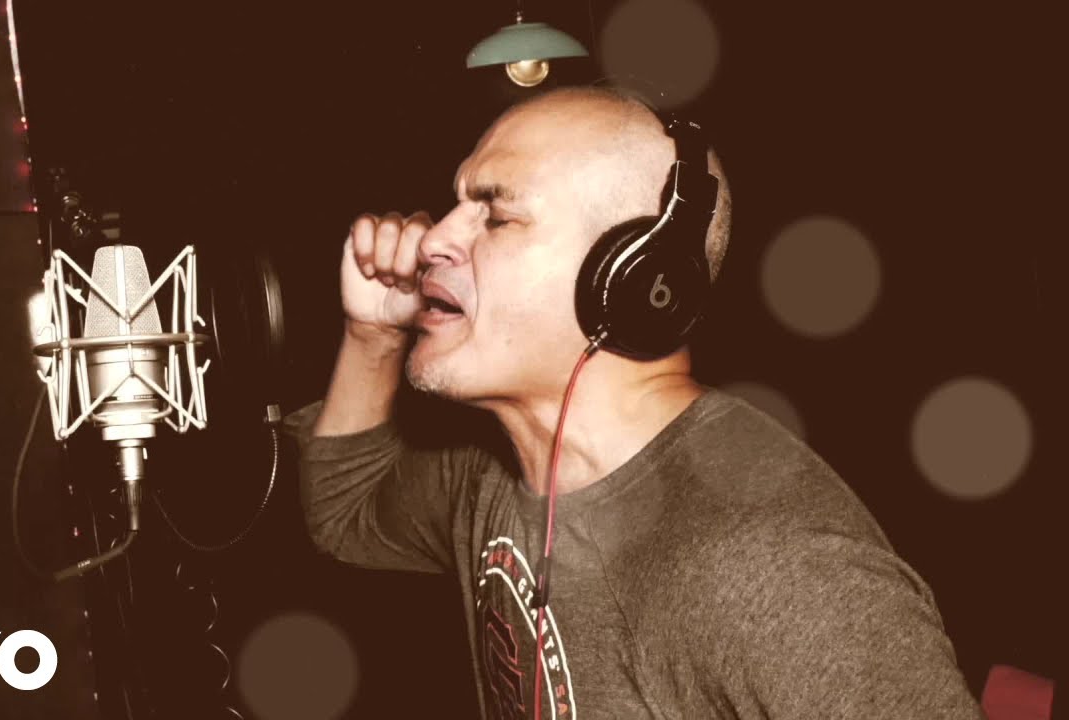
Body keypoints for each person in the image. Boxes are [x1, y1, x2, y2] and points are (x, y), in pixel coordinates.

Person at [283, 85, 981, 718]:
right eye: (455, 207)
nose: (434, 238)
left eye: (496, 217)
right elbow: (344, 515)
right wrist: (373, 334)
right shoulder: (490, 464)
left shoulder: (774, 565)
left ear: (632, 279)